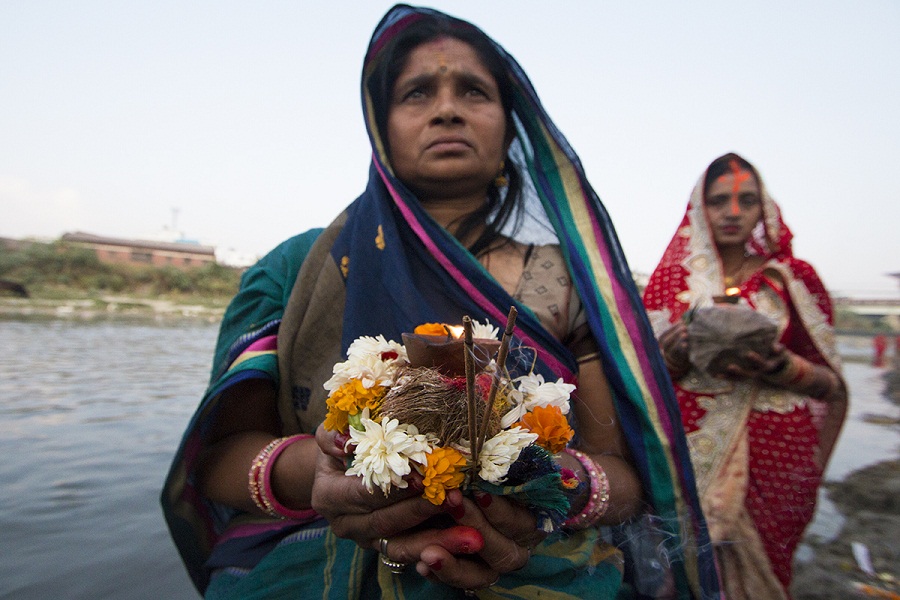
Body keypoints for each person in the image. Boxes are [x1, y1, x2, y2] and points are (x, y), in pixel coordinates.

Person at [162, 5, 718, 598]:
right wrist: (322, 474)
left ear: (509, 128)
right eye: (417, 93)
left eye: (473, 91)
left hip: (537, 560)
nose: (446, 109)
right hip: (310, 558)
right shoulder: (296, 269)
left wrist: (539, 488)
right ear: (381, 124)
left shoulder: (572, 282)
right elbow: (219, 461)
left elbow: (624, 474)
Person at [643, 152, 848, 599]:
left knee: (763, 576)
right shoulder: (669, 282)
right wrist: (673, 357)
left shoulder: (790, 278)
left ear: (763, 209)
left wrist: (784, 367)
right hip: (688, 448)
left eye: (746, 200)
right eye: (719, 201)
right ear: (700, 208)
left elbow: (831, 386)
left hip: (776, 453)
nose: (732, 212)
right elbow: (641, 380)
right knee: (676, 576)